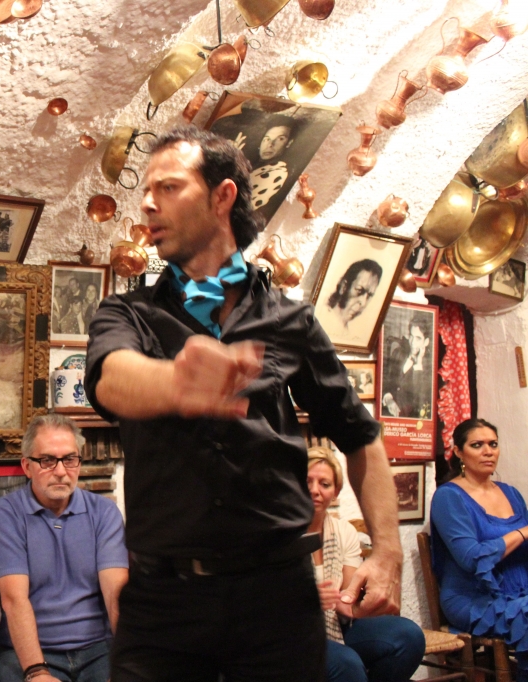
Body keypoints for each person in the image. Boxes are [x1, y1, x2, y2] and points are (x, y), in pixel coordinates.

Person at [84, 125, 402, 682]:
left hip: (277, 599)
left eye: (169, 187)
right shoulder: (127, 312)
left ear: (222, 196)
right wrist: (179, 383)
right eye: (147, 190)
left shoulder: (289, 319)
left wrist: (388, 552)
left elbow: (359, 435)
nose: (148, 203)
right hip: (164, 604)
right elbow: (112, 380)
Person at [0, 414, 128, 682]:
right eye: (48, 460)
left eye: (69, 459)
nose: (61, 471)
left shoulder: (104, 512)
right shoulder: (6, 514)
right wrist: (36, 671)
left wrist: (128, 662)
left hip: (97, 648)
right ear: (27, 466)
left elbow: (116, 594)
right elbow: (14, 600)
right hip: (27, 650)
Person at [306, 447, 424, 682]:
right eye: (307, 482)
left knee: (409, 636)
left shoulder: (344, 532)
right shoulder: (280, 533)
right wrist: (308, 598)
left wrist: (357, 602)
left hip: (336, 625)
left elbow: (347, 598)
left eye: (324, 484)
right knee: (347, 664)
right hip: (293, 633)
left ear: (336, 491)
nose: (315, 490)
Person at [430, 418, 528, 681]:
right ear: (459, 452)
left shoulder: (512, 493)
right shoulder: (448, 496)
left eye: (493, 444)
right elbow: (472, 558)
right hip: (474, 598)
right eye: (477, 445)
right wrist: (521, 533)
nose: (488, 451)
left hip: (520, 591)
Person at [318, 260, 383, 345]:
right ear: (344, 287)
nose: (363, 303)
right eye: (359, 290)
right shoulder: (320, 319)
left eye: (369, 295)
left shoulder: (350, 335)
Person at [381, 319, 432, 419]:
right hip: (387, 409)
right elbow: (386, 379)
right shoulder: (398, 353)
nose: (412, 343)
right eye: (411, 336)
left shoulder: (429, 367)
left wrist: (418, 364)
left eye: (418, 338)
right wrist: (388, 398)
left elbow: (420, 401)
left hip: (409, 418)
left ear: (426, 342)